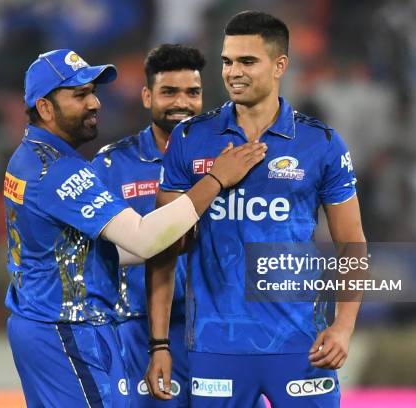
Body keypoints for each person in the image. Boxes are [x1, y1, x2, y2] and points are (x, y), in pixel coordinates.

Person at [3, 48, 267, 408]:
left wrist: (175, 244)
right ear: (45, 108)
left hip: (50, 321)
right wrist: (216, 179)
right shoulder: (61, 172)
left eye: (93, 92)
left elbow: (76, 250)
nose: (95, 103)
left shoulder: (32, 158)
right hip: (68, 328)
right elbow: (143, 240)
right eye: (80, 95)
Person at [145, 11, 365, 408]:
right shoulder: (191, 138)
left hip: (302, 346)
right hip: (216, 344)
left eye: (247, 61)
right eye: (228, 61)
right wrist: (159, 344)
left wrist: (344, 327)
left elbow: (352, 243)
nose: (233, 72)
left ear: (280, 65)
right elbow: (162, 246)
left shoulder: (322, 143)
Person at [91, 44, 205, 407]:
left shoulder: (223, 159)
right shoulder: (112, 165)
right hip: (137, 330)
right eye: (169, 92)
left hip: (211, 328)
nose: (181, 102)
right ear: (146, 96)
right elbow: (97, 249)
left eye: (192, 92)